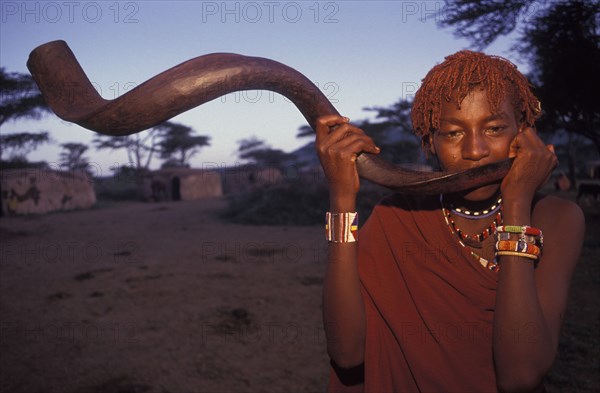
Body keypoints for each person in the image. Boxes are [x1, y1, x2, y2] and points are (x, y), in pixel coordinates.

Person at [315, 51, 585, 392]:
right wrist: (341, 198)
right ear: (431, 142)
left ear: (524, 132)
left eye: (495, 128)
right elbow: (347, 353)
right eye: (453, 133)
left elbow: (520, 376)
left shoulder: (557, 218)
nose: (475, 150)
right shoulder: (396, 218)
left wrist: (517, 206)